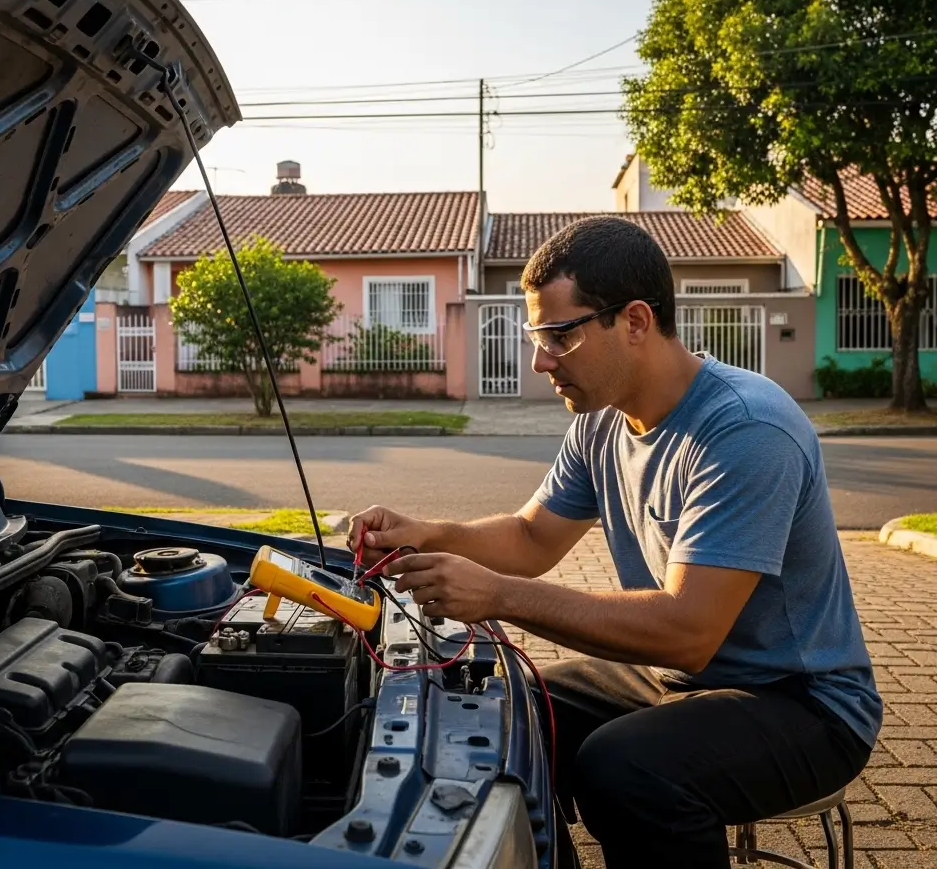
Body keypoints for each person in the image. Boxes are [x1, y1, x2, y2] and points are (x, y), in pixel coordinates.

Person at [347, 215, 880, 869]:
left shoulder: (745, 429)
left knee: (622, 767)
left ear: (633, 322)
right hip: (681, 679)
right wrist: (420, 533)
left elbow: (688, 631)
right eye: (536, 336)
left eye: (558, 337)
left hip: (803, 704)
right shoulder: (602, 422)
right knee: (509, 707)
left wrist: (499, 597)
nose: (541, 360)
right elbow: (531, 535)